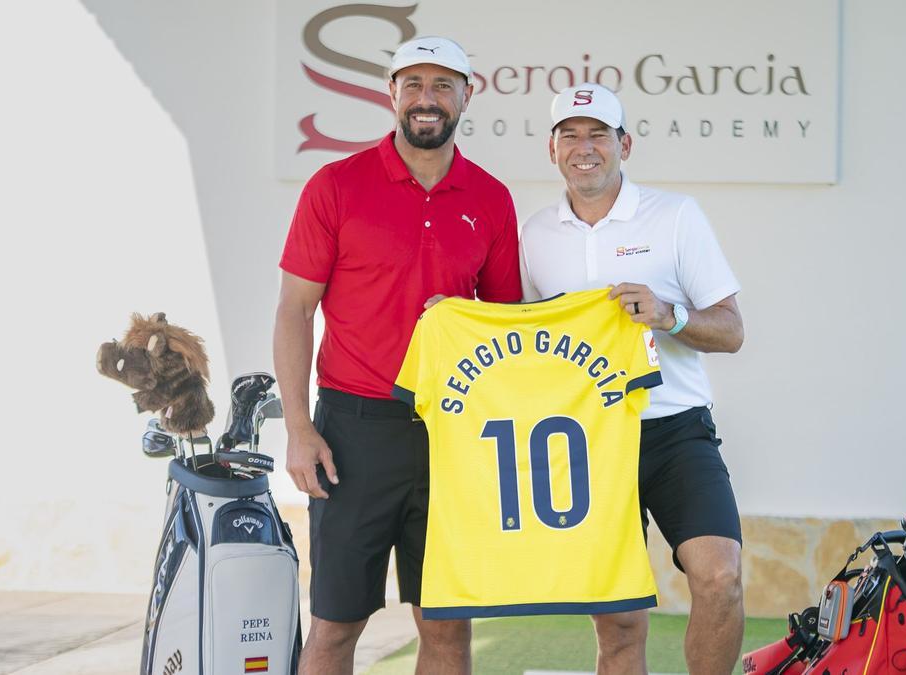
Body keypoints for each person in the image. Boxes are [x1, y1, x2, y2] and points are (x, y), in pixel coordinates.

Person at [274, 36, 522, 675]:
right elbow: (295, 311)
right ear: (390, 95)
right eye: (412, 85)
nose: (426, 99)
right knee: (335, 627)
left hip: (452, 433)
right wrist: (299, 430)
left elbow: (503, 327)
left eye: (443, 85)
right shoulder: (336, 185)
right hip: (352, 432)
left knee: (446, 630)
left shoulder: (491, 199)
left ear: (468, 95)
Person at [520, 83, 746, 675]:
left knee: (720, 577)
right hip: (589, 440)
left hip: (676, 431)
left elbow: (731, 330)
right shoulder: (535, 235)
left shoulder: (675, 215)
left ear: (625, 143)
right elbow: (520, 340)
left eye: (599, 134)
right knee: (619, 620)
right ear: (552, 149)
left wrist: (669, 315)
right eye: (570, 135)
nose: (584, 147)